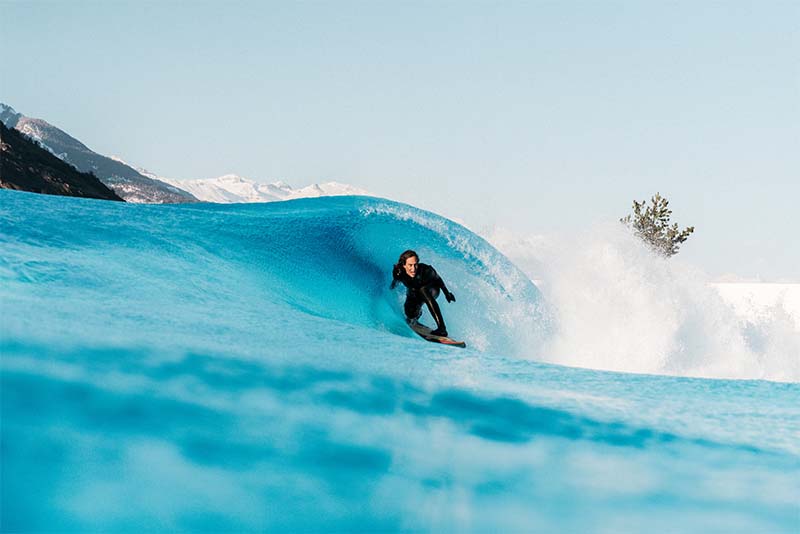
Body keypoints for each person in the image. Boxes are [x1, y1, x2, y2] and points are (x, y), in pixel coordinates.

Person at [390, 249, 456, 337]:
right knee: (410, 313)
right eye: (410, 265)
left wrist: (447, 293)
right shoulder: (398, 272)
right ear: (404, 265)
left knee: (423, 290)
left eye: (415, 265)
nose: (413, 269)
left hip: (432, 290)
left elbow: (438, 279)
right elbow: (396, 281)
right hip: (415, 291)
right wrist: (391, 289)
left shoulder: (426, 270)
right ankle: (416, 316)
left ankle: (442, 328)